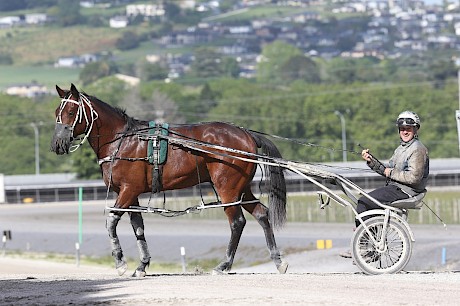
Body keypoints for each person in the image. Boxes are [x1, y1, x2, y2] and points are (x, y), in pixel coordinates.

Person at [340, 110, 429, 258]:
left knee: (364, 201)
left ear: (416, 129)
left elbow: (414, 178)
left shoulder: (418, 149)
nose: (405, 131)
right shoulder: (401, 149)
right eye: (402, 129)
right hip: (397, 188)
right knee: (366, 201)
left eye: (408, 128)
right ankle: (369, 243)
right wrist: (371, 161)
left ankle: (366, 246)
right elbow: (386, 170)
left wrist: (390, 173)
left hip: (406, 191)